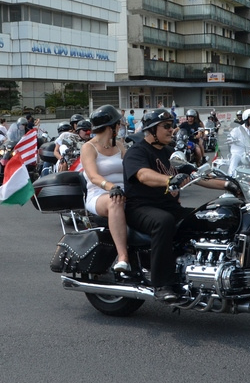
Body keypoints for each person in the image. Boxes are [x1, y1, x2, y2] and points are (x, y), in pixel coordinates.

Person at [123, 109, 231, 303]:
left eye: (172, 126)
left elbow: (197, 176)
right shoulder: (137, 151)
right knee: (163, 222)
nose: (171, 130)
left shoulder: (171, 152)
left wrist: (229, 184)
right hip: (140, 207)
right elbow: (143, 175)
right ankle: (162, 284)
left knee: (208, 217)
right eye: (166, 126)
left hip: (168, 205)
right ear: (151, 130)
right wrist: (169, 179)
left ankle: (200, 269)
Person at [80, 105, 131, 274]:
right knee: (114, 202)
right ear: (112, 127)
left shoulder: (120, 146)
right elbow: (93, 176)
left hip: (123, 192)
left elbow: (132, 170)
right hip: (100, 194)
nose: (119, 127)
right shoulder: (89, 147)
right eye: (118, 124)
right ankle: (123, 257)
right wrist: (112, 187)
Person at [227, 108, 250, 175]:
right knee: (234, 158)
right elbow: (230, 137)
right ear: (246, 120)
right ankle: (231, 176)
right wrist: (231, 140)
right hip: (239, 152)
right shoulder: (238, 129)